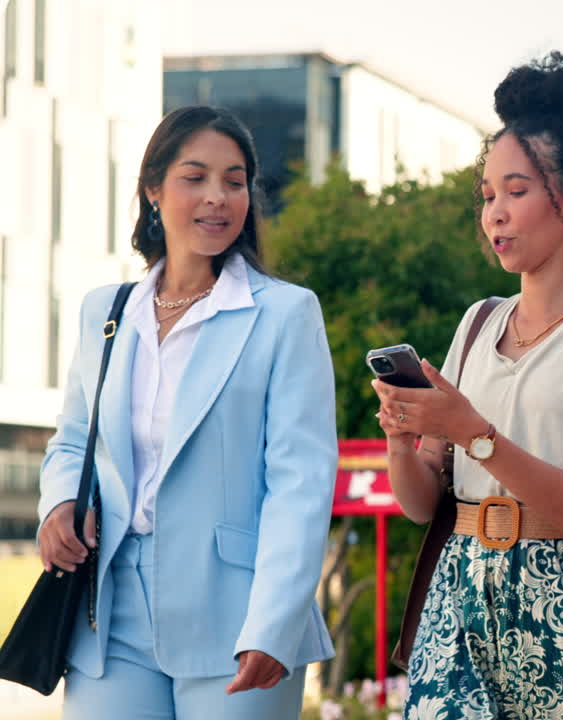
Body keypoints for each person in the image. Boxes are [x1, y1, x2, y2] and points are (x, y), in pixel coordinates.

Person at [371, 53, 563, 719]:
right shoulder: (477, 322)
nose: (495, 214)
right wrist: (404, 441)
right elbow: (424, 503)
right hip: (458, 607)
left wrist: (473, 434)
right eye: (487, 196)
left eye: (516, 192)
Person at [37, 105, 337, 719]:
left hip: (238, 610)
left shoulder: (285, 313)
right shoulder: (106, 311)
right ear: (153, 189)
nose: (217, 198)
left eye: (234, 181)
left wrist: (273, 622)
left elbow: (300, 484)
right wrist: (60, 503)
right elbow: (72, 441)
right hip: (110, 608)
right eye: (195, 177)